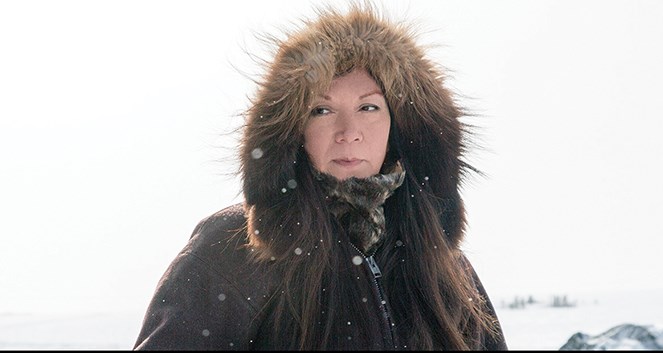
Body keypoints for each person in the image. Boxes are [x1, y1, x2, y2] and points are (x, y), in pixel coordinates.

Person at [133, 1, 508, 350]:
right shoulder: (231, 250)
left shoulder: (440, 261)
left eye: (368, 106)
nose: (349, 131)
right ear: (294, 130)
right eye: (322, 110)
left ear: (399, 125)